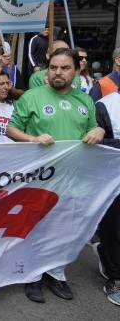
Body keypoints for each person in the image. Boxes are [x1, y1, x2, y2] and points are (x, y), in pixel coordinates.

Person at [6, 47, 104, 304]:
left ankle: (56, 274)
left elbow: (92, 127)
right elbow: (12, 129)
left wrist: (99, 131)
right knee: (36, 229)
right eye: (53, 67)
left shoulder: (85, 100)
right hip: (40, 181)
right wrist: (33, 139)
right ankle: (32, 276)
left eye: (65, 68)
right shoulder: (32, 97)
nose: (58, 72)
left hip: (74, 180)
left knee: (65, 231)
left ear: (77, 70)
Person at [95, 85, 120, 305]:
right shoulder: (106, 104)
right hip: (114, 178)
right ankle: (115, 277)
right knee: (115, 227)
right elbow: (96, 142)